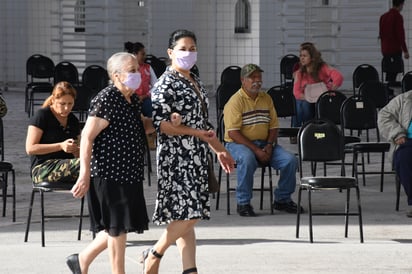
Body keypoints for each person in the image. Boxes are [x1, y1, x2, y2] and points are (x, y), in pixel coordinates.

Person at [142, 29, 235, 274]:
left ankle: (189, 269)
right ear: (170, 52)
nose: (188, 53)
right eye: (183, 49)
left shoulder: (193, 79)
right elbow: (161, 126)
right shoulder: (166, 83)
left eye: (192, 49)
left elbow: (203, 123)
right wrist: (196, 135)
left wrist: (219, 150)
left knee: (186, 216)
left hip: (196, 155)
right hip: (176, 157)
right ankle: (154, 253)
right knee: (190, 212)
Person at [66, 52, 149, 274]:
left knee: (118, 226)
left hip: (129, 172)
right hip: (108, 173)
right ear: (116, 75)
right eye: (132, 70)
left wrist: (167, 121)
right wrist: (84, 174)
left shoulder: (131, 99)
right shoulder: (107, 98)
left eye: (137, 69)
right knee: (117, 228)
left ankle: (81, 260)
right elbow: (87, 137)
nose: (137, 73)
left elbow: (141, 126)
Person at [223, 63, 302, 217]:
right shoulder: (235, 101)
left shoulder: (266, 98)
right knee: (247, 159)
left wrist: (269, 145)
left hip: (265, 143)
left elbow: (273, 126)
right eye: (252, 77)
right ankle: (243, 202)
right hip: (237, 144)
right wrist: (257, 150)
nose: (257, 81)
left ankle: (282, 199)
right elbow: (233, 133)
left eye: (259, 77)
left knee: (290, 160)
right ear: (243, 80)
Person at [25, 81, 80, 185]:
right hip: (43, 168)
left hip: (68, 165)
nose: (67, 108)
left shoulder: (73, 120)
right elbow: (30, 148)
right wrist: (60, 146)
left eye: (70, 104)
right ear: (54, 100)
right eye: (62, 104)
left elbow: (78, 149)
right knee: (85, 164)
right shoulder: (42, 116)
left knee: (95, 163)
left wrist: (77, 149)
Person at [291, 42, 343, 143]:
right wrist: (310, 97)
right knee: (301, 104)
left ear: (312, 57)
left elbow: (338, 77)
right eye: (301, 56)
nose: (302, 58)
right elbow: (296, 92)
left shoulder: (322, 67)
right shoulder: (299, 73)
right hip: (306, 98)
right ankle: (300, 131)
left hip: (321, 97)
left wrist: (331, 89)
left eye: (305, 56)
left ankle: (311, 130)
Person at [378, 90, 412, 217]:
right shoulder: (405, 99)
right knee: (403, 159)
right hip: (408, 141)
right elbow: (384, 115)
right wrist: (397, 133)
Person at [125, 41, 158, 149]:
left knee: (153, 109)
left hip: (146, 99)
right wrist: (133, 97)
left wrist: (145, 95)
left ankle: (150, 137)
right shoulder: (125, 68)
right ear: (134, 54)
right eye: (142, 54)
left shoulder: (148, 68)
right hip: (130, 99)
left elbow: (156, 85)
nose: (144, 56)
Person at [379, 0, 409, 88]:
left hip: (385, 50)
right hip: (394, 49)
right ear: (400, 5)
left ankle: (388, 91)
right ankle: (391, 90)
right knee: (394, 72)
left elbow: (381, 34)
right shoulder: (397, 17)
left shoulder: (383, 17)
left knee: (389, 72)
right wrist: (405, 51)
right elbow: (400, 35)